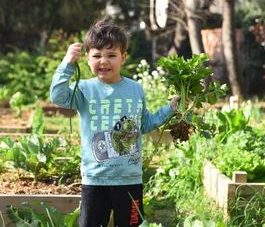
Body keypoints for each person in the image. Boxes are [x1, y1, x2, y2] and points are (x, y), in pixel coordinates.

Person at [50, 20, 179, 227]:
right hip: (95, 179)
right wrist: (67, 64)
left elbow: (144, 124)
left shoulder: (135, 89)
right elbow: (57, 96)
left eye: (111, 55)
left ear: (123, 58)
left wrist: (169, 109)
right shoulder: (83, 89)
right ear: (87, 58)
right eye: (97, 55)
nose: (104, 61)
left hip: (129, 179)